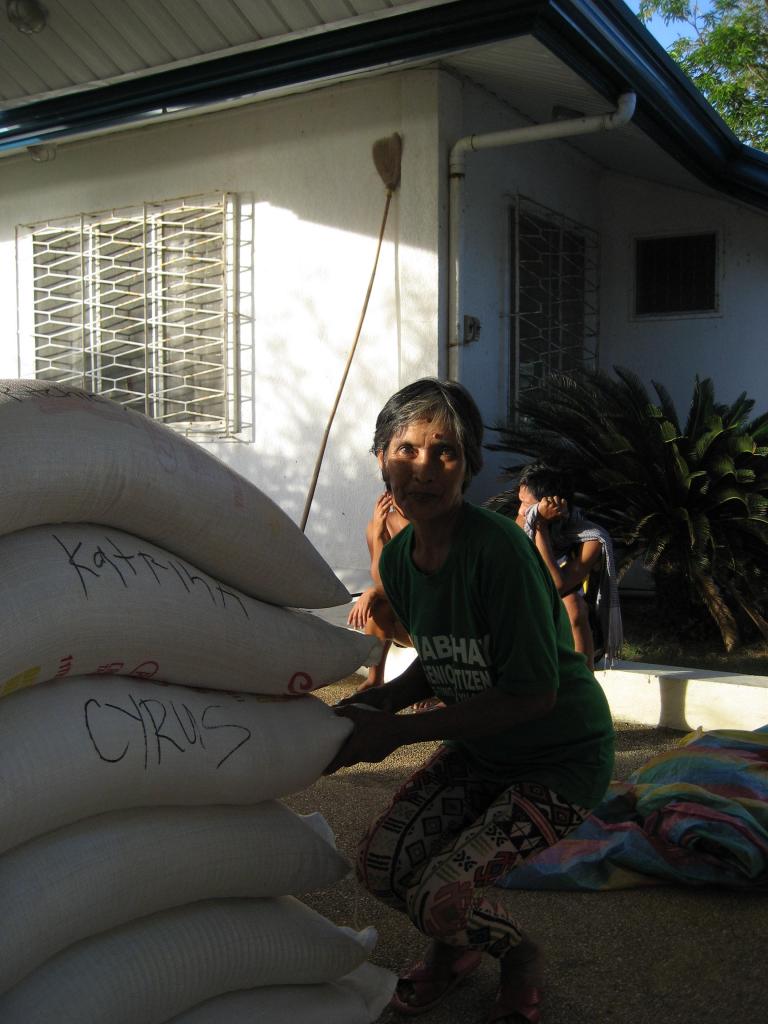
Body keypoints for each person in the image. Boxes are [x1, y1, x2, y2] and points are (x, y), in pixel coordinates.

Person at [326, 378, 614, 1023]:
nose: (422, 470)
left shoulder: (501, 552)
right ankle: (456, 955)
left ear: (470, 465)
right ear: (380, 458)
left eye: (445, 453)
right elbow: (442, 656)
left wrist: (394, 735)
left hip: (559, 758)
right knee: (380, 865)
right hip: (483, 751)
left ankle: (518, 957)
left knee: (441, 896)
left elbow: (535, 694)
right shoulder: (401, 558)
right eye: (405, 449)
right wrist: (381, 704)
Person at [513, 464, 623, 669]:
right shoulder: (515, 525)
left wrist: (541, 526)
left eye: (531, 507)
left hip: (574, 625)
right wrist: (532, 521)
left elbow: (555, 585)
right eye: (524, 504)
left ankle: (583, 683)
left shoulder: (591, 539)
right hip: (520, 609)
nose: (525, 512)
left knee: (573, 603)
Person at [347, 490, 409, 690]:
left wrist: (373, 591)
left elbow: (419, 585)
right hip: (404, 619)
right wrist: (379, 535)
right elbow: (382, 580)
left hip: (434, 621)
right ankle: (375, 678)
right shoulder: (378, 525)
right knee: (378, 607)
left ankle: (436, 686)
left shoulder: (431, 525)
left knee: (376, 595)